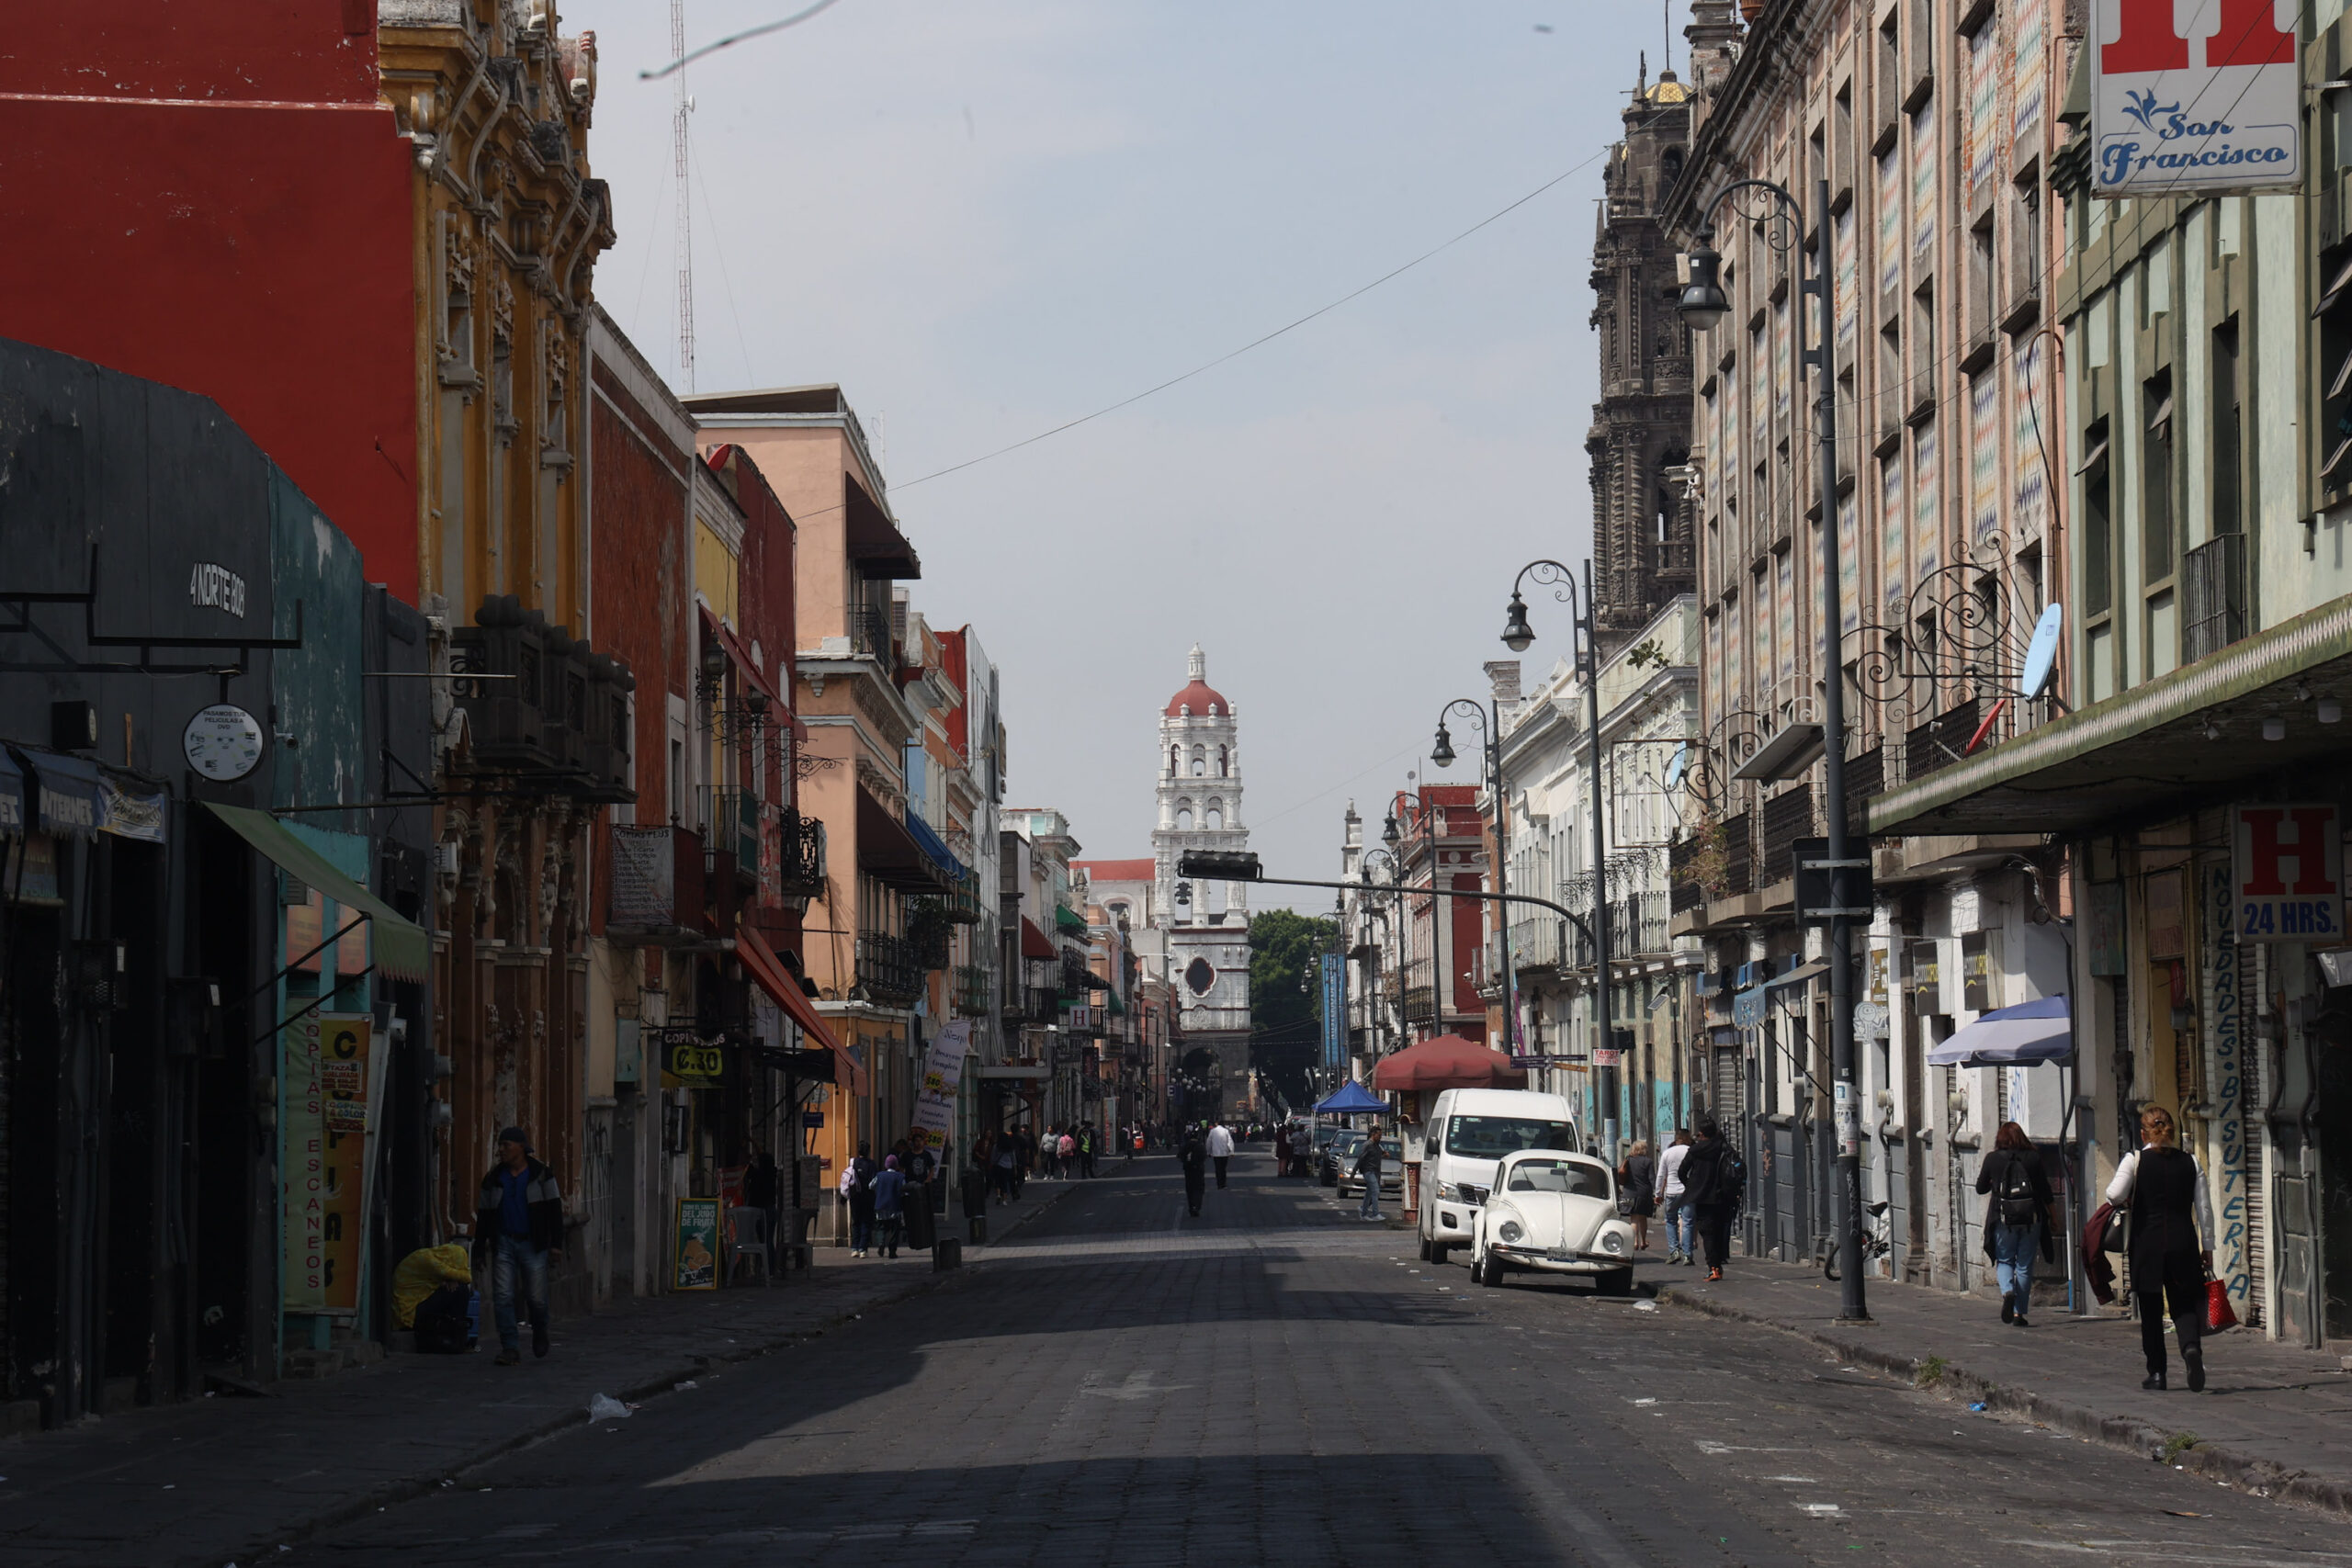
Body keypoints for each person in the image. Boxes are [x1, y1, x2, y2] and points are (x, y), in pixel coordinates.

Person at [2109, 1103, 2214, 1392]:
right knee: (2184, 1301)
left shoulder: (2135, 1160)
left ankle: (2157, 1373)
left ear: (2144, 1133)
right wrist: (2208, 1247)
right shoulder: (2191, 1162)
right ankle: (2191, 1348)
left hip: (2147, 1245)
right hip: (2183, 1242)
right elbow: (2204, 1209)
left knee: (2151, 1309)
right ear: (2172, 1131)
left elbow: (2114, 1194)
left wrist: (2124, 1197)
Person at [474, 1127, 562, 1366]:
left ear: (521, 1147)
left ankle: (540, 1329)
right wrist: (479, 1249)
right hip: (504, 1242)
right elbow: (484, 1216)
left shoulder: (541, 1175)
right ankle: (510, 1347)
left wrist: (556, 1245)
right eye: (500, 1145)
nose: (501, 1150)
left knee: (536, 1298)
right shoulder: (493, 1179)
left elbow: (555, 1209)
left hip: (533, 1244)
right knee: (503, 1296)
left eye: (506, 1145)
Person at [1975, 1121, 2054, 1327]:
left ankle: (2007, 1291)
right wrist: (2054, 1216)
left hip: (2003, 1219)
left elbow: (1980, 1188)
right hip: (2031, 1218)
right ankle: (2020, 1313)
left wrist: (1995, 1181)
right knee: (2025, 1266)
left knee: (2005, 1260)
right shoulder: (2034, 1158)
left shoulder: (1992, 1159)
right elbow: (2046, 1191)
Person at [1678, 1117, 1742, 1282]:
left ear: (1701, 1134)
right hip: (1723, 1195)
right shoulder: (1725, 1148)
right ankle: (1719, 1263)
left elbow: (1682, 1172)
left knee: (1708, 1233)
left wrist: (1692, 1187)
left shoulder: (1695, 1151)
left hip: (1703, 1197)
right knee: (1720, 1230)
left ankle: (1713, 1267)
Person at [1657, 1129, 1694, 1265]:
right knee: (1687, 1222)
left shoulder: (1667, 1153)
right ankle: (1688, 1255)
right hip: (1688, 1192)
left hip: (1671, 1192)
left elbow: (1661, 1175)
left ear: (1676, 1138)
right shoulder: (1691, 1151)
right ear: (1686, 1138)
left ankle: (1674, 1251)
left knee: (1671, 1221)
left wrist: (1658, 1194)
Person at [743, 1146, 782, 1264]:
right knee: (768, 1240)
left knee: (764, 1240)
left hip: (763, 1211)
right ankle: (769, 1267)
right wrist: (752, 1142)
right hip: (770, 1210)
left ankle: (767, 1266)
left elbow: (750, 1171)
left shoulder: (760, 1176)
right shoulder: (772, 1173)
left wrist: (747, 1158)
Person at [1619, 1139, 1657, 1252]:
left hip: (1628, 1193)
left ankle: (1634, 1242)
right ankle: (1643, 1241)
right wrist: (1656, 1193)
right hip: (1644, 1194)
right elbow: (1652, 1179)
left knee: (1633, 1219)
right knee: (1643, 1217)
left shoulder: (1628, 1160)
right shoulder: (1648, 1161)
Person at [847, 1141, 878, 1257]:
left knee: (856, 1222)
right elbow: (874, 1182)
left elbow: (848, 1179)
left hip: (855, 1197)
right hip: (868, 1197)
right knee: (866, 1222)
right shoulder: (871, 1164)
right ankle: (863, 1249)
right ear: (868, 1151)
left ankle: (854, 1248)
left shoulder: (853, 1162)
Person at [873, 1155, 907, 1259]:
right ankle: (892, 1251)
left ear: (886, 1165)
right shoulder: (900, 1176)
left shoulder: (879, 1175)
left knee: (881, 1228)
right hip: (894, 1206)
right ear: (896, 1165)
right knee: (894, 1230)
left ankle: (881, 1243)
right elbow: (904, 1189)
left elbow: (871, 1185)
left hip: (881, 1206)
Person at [1353, 1126, 1385, 1221]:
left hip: (1375, 1171)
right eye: (1379, 1135)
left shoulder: (1376, 1145)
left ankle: (1363, 1212)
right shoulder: (1367, 1145)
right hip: (1368, 1171)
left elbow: (1379, 1154)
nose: (1380, 1137)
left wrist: (1384, 1154)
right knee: (1376, 1191)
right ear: (1373, 1134)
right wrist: (1354, 1172)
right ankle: (1375, 1213)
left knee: (1369, 1193)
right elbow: (1361, 1158)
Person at [1180, 1123, 1209, 1215]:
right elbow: (1204, 1156)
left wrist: (1186, 1161)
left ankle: (1191, 1207)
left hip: (1188, 1170)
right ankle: (1197, 1206)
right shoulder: (1200, 1146)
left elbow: (1180, 1155)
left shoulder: (1186, 1145)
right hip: (1198, 1170)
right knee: (1199, 1189)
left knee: (1190, 1189)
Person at [1207, 1120, 1236, 1188]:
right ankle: (1223, 1183)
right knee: (1223, 1169)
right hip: (1224, 1153)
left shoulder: (1212, 1131)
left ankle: (1219, 1183)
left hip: (1216, 1153)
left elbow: (1209, 1142)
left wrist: (1208, 1152)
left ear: (1216, 1123)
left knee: (1218, 1169)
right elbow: (1230, 1141)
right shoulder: (1225, 1131)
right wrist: (1232, 1151)